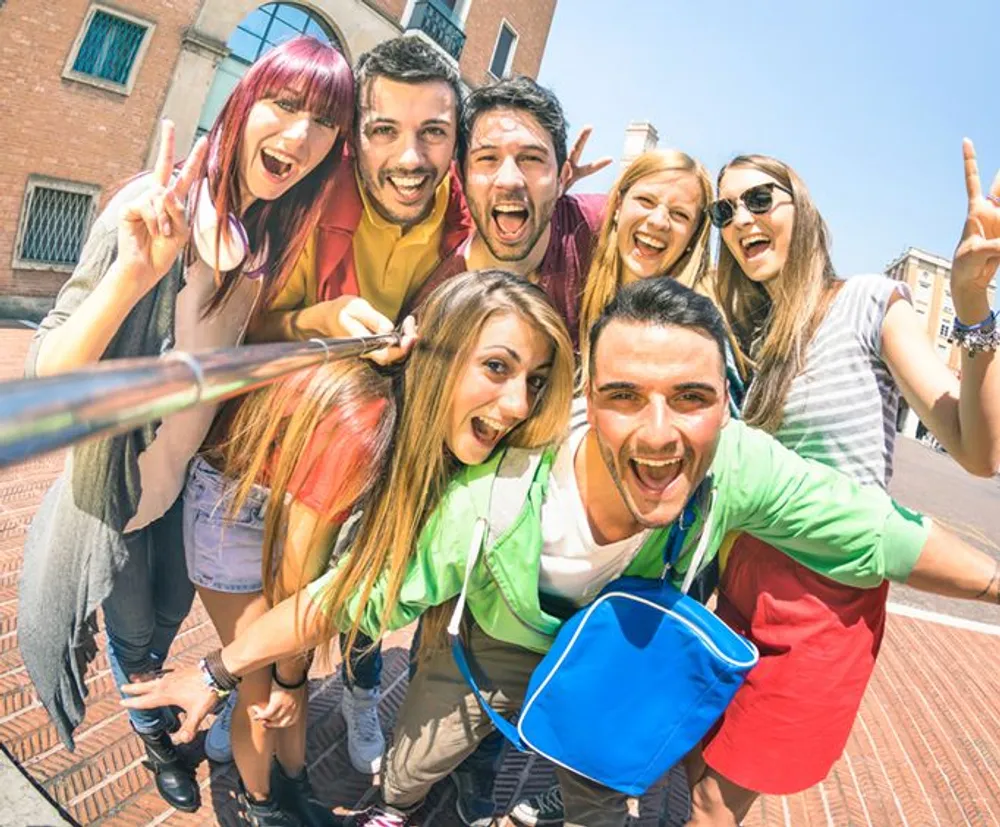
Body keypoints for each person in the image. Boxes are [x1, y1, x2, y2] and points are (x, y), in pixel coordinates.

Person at [120, 278, 1000, 827]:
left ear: (725, 408)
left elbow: (883, 535)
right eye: (625, 396)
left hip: (611, 647)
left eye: (692, 397)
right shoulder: (490, 500)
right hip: (499, 637)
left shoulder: (735, 463)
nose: (660, 434)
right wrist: (221, 669)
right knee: (415, 759)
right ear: (590, 398)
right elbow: (345, 595)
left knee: (598, 790)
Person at [18, 36, 354, 813]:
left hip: (182, 494)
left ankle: (165, 708)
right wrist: (133, 277)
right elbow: (46, 379)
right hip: (116, 505)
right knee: (135, 639)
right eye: (286, 105)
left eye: (325, 122)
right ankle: (152, 739)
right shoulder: (151, 212)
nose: (301, 137)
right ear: (244, 102)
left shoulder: (260, 238)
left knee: (168, 626)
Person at [686, 144, 1000, 825]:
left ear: (804, 208)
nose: (741, 218)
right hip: (740, 583)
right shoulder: (755, 338)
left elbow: (977, 450)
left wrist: (974, 309)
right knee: (694, 767)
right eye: (725, 209)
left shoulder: (866, 300)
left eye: (761, 199)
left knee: (714, 801)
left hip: (825, 594)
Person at [237, 35, 471, 776]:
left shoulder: (464, 213)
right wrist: (323, 318)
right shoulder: (314, 190)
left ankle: (351, 686)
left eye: (433, 132)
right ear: (355, 136)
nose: (410, 158)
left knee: (383, 552)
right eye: (384, 131)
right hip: (295, 417)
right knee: (264, 558)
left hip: (384, 422)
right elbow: (253, 329)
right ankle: (268, 681)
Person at [183, 357, 396, 826]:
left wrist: (292, 677)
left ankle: (295, 785)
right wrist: (288, 675)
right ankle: (263, 806)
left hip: (279, 493)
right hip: (229, 503)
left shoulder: (381, 412)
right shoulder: (366, 424)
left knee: (289, 673)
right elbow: (297, 581)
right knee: (261, 682)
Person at [414, 75, 610, 349]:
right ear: (462, 175)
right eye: (487, 158)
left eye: (531, 159)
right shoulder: (434, 313)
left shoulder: (594, 225)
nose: (510, 180)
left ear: (562, 178)